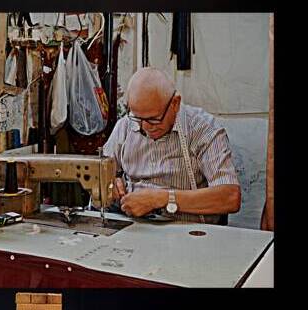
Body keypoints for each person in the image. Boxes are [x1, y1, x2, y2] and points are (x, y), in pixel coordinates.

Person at [103, 67, 240, 224]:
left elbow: (230, 197)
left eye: (153, 119)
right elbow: (100, 173)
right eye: (138, 118)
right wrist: (111, 183)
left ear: (175, 103)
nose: (145, 127)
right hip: (132, 225)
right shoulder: (126, 126)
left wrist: (162, 199)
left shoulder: (203, 129)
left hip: (187, 230)